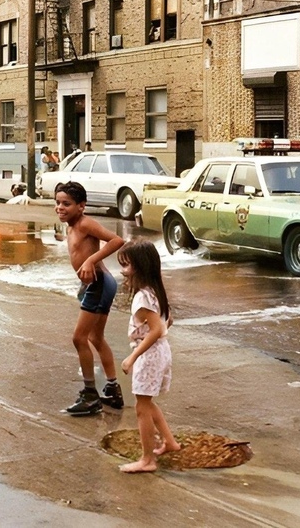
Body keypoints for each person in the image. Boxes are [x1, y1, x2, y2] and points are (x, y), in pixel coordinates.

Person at [54, 182, 125, 415]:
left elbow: (117, 240)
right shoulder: (71, 226)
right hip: (96, 284)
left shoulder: (85, 223)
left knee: (79, 338)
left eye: (66, 204)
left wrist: (90, 260)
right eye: (58, 203)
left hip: (99, 282)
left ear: (81, 206)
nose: (60, 208)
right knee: (95, 337)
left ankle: (90, 395)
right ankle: (113, 389)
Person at [117, 239, 180, 473]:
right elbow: (167, 321)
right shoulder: (156, 291)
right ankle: (170, 442)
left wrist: (132, 357)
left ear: (139, 267)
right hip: (161, 351)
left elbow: (155, 330)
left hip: (150, 354)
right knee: (147, 402)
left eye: (126, 265)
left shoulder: (143, 297)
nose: (123, 271)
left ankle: (147, 459)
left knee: (141, 408)